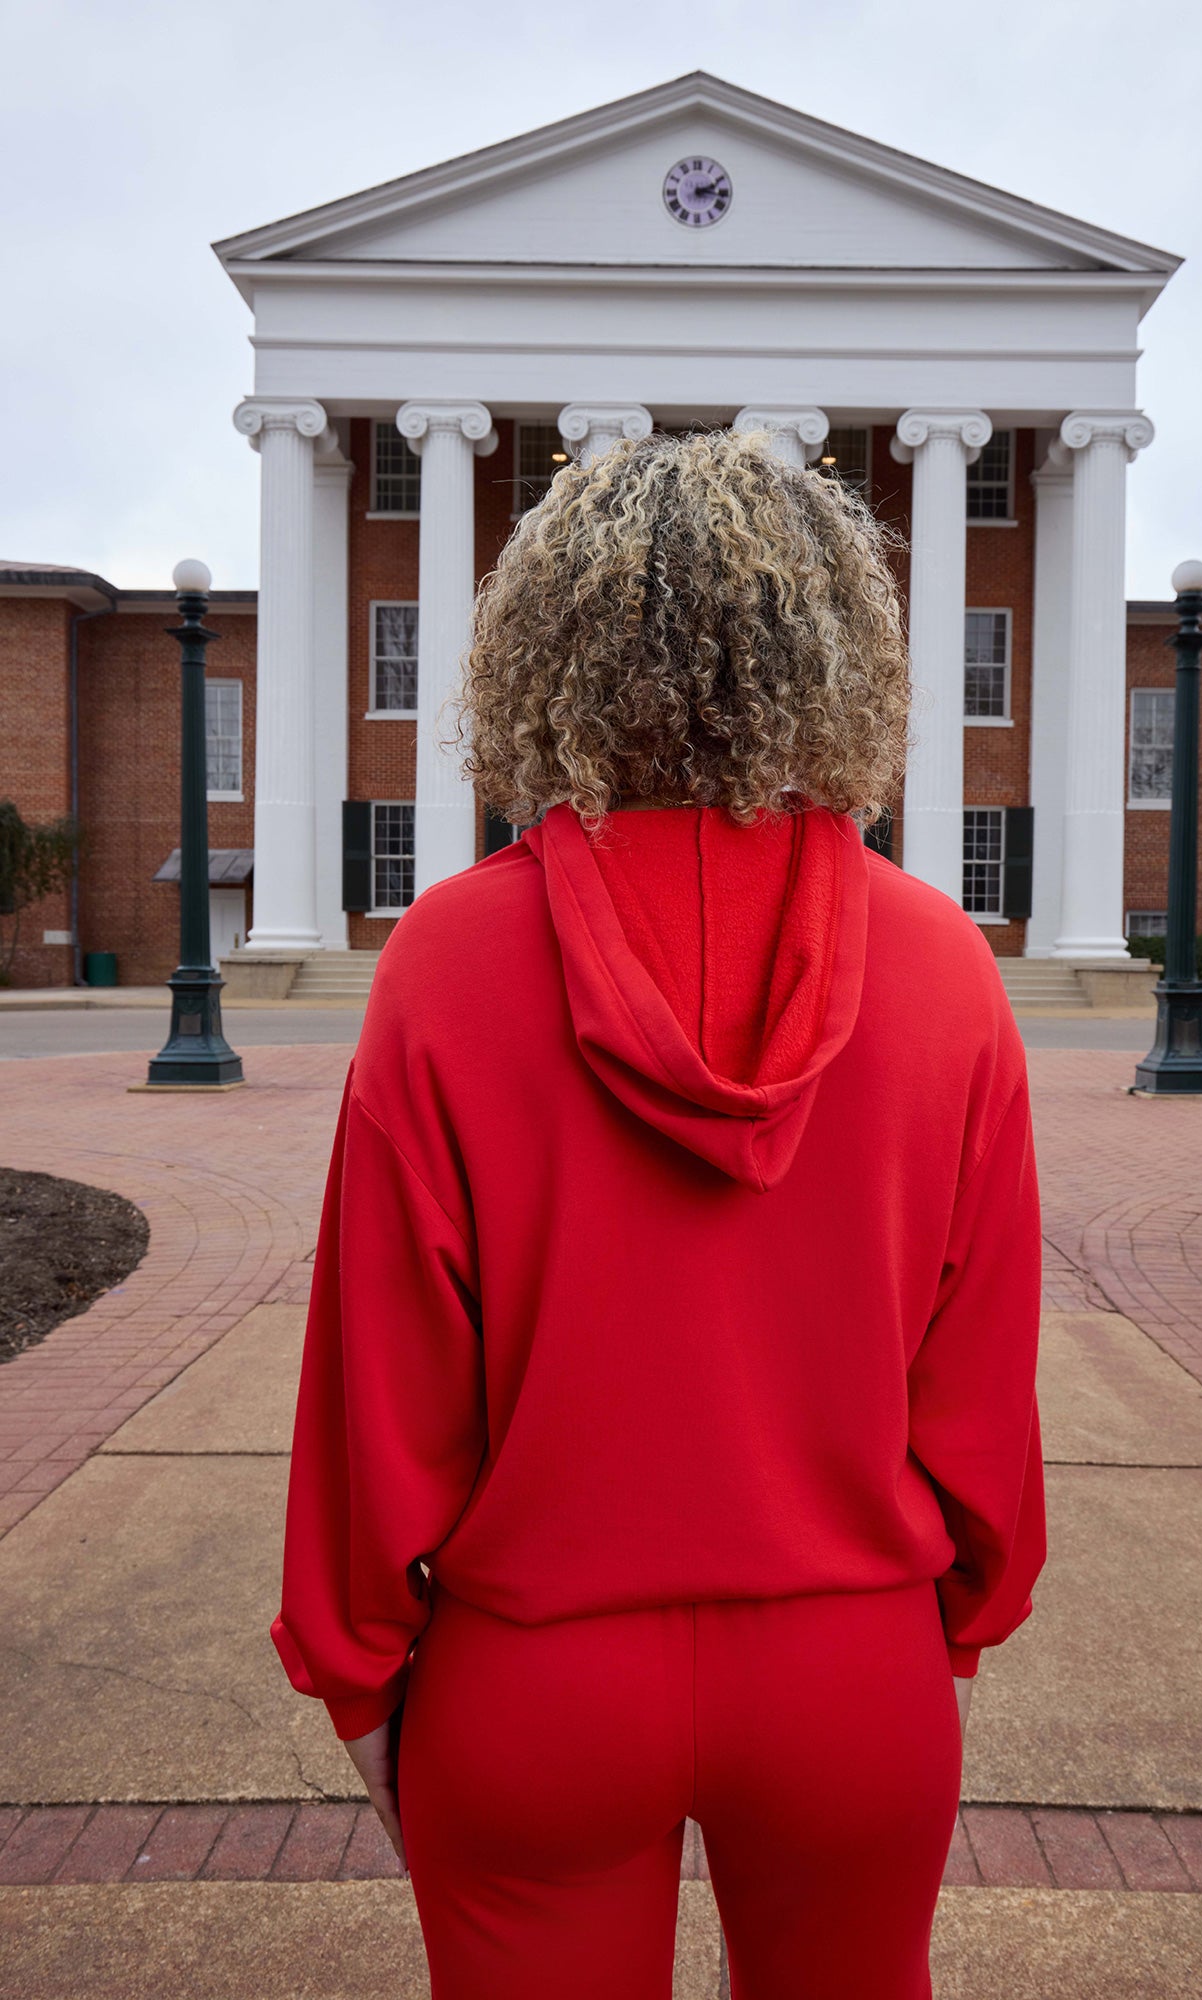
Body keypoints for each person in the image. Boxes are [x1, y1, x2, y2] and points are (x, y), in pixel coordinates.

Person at [270, 426, 1046, 1999]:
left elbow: (380, 1376)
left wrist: (357, 1673)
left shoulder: (445, 961)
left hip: (537, 1673)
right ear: (836, 642)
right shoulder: (946, 969)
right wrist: (950, 1629)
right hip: (850, 1666)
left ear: (544, 643)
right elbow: (979, 1379)